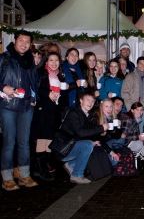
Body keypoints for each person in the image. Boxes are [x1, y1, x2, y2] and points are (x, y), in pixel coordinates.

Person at [0, 30, 39, 191]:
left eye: (27, 42)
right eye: (21, 40)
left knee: (24, 143)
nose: (23, 44)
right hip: (8, 106)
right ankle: (7, 178)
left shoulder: (30, 61)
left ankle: (24, 175)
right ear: (15, 41)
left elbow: (34, 82)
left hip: (26, 107)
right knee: (9, 143)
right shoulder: (5, 58)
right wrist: (3, 87)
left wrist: (34, 99)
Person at [30, 51, 67, 181]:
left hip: (54, 112)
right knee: (42, 139)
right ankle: (41, 170)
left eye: (56, 60)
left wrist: (65, 89)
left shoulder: (60, 77)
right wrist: (48, 93)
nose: (54, 63)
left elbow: (63, 100)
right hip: (42, 111)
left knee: (49, 141)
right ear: (46, 62)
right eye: (51, 60)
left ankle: (42, 168)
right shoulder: (41, 73)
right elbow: (35, 88)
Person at [59, 91, 110, 184]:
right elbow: (80, 133)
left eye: (92, 101)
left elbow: (87, 133)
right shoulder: (74, 113)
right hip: (62, 149)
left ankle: (71, 164)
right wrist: (101, 127)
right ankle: (77, 175)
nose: (90, 103)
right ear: (81, 101)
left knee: (92, 145)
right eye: (88, 100)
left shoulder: (88, 115)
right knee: (88, 145)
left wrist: (93, 141)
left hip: (71, 146)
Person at [121, 56, 144, 132]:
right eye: (141, 63)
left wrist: (143, 105)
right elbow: (124, 92)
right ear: (137, 64)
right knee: (130, 130)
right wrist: (130, 107)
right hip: (131, 108)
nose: (143, 66)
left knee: (140, 129)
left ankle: (140, 143)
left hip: (142, 109)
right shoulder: (130, 76)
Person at [92, 98, 121, 166]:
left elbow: (117, 136)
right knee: (113, 161)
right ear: (101, 107)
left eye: (111, 106)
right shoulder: (96, 118)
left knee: (121, 140)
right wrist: (111, 152)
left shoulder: (111, 118)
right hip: (95, 144)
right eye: (106, 106)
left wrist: (118, 127)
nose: (109, 109)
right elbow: (98, 139)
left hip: (105, 143)